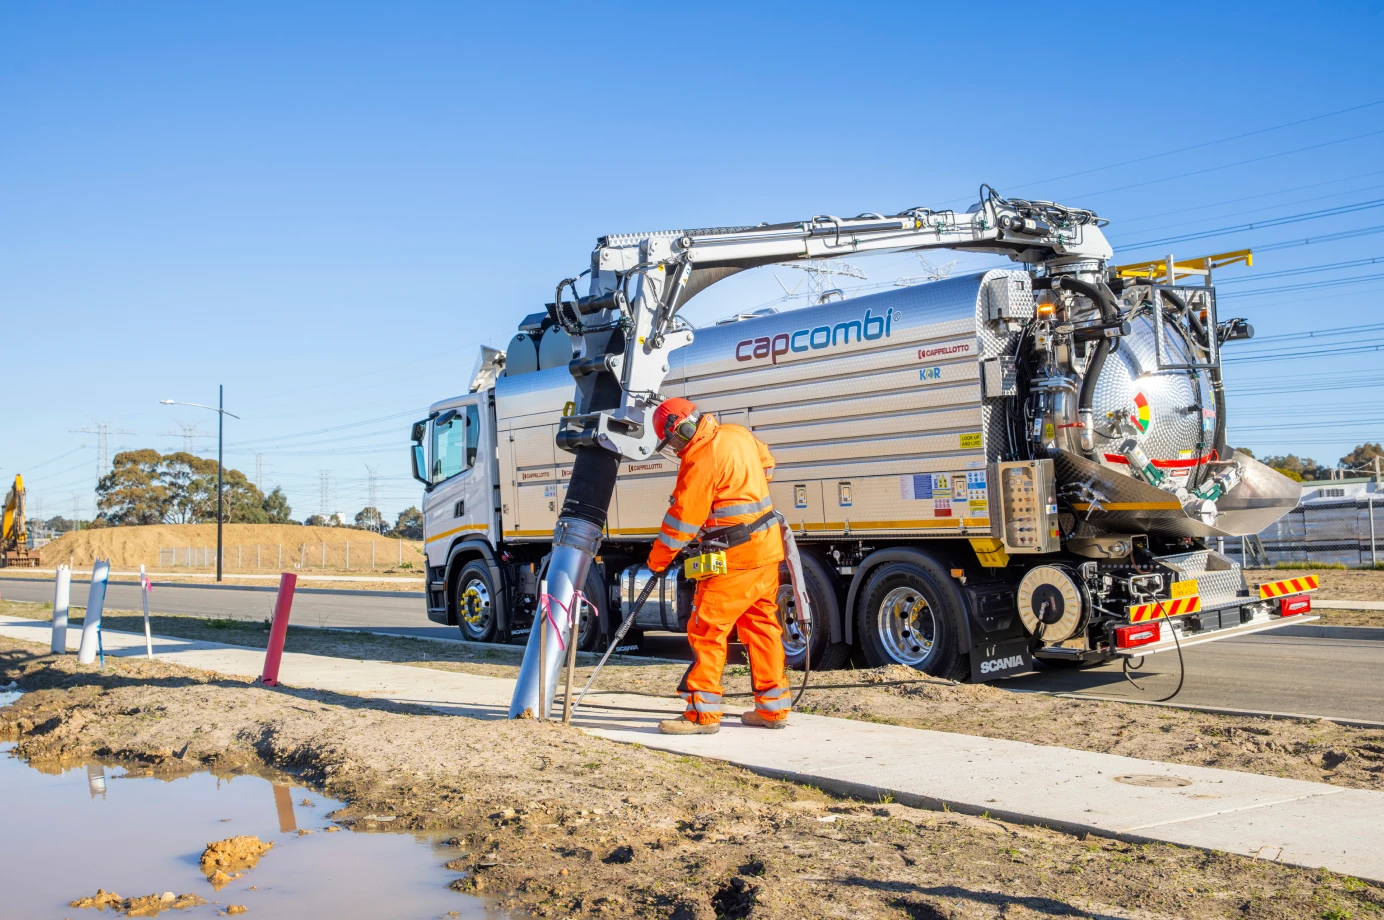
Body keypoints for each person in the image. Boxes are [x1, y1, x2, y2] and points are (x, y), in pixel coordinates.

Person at [645, 397, 791, 735]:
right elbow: (767, 464)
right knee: (762, 628)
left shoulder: (701, 456)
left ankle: (701, 714)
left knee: (707, 630)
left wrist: (657, 561)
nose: (676, 449)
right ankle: (773, 710)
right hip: (766, 549)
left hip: (734, 557)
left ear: (682, 429)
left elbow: (682, 522)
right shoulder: (738, 434)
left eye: (674, 441)